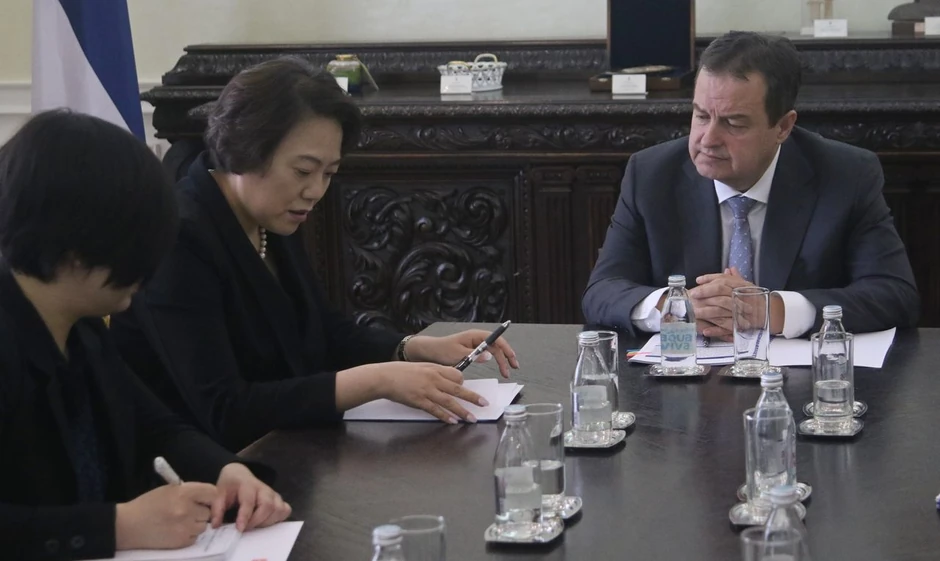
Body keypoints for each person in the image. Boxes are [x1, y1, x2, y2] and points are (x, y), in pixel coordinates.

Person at [110, 57, 519, 452]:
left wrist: (413, 347)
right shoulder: (178, 237)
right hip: (200, 472)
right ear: (246, 149)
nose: (316, 191)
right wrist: (378, 381)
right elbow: (224, 409)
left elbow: (323, 332)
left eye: (329, 173)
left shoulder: (269, 213)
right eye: (303, 171)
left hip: (283, 448)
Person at [0, 110, 291, 560]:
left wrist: (227, 471)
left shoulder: (81, 325)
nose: (149, 269)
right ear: (75, 247)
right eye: (136, 245)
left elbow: (155, 425)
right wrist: (115, 526)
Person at [582, 31, 919, 339]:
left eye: (733, 123)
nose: (708, 139)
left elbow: (894, 295)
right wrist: (675, 307)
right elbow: (602, 290)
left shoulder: (846, 175)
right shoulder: (651, 174)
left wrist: (772, 310)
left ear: (783, 127)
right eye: (701, 116)